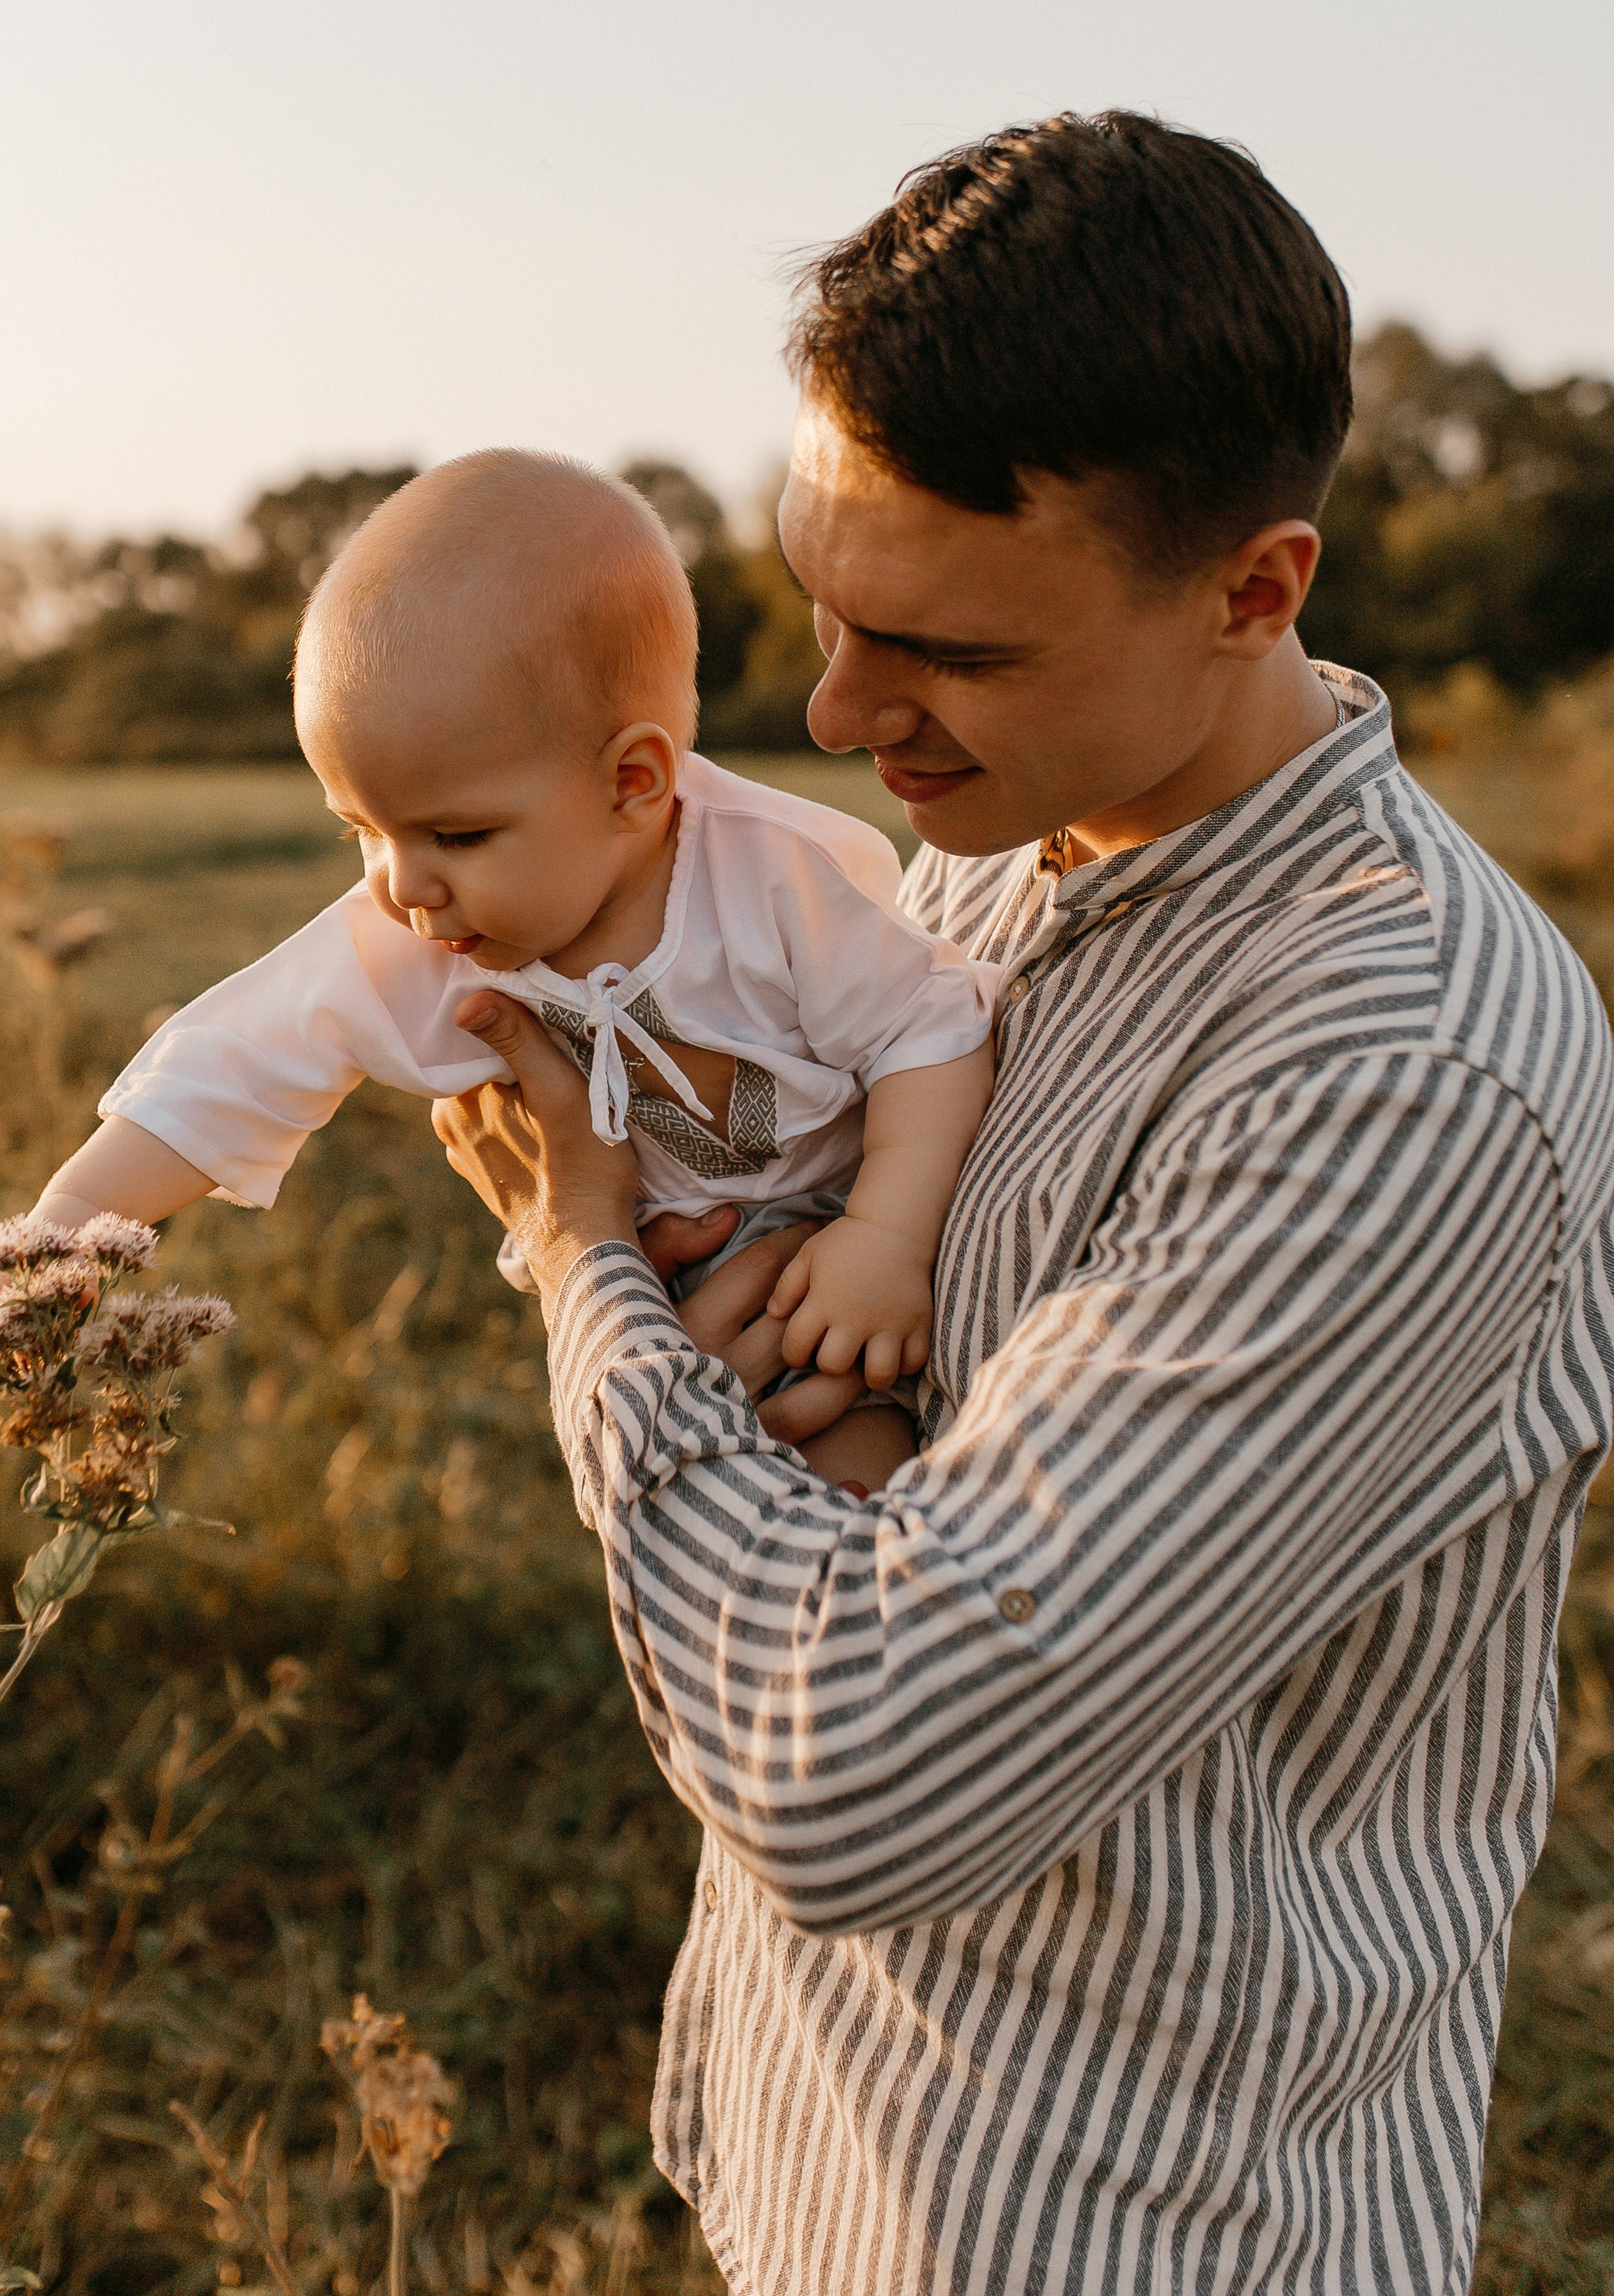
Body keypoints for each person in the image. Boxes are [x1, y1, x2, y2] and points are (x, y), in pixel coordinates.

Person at [428, 112, 1614, 2296]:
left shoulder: (1396, 1071)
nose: (834, 709)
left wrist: (582, 1261)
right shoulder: (962, 867)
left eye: (954, 653)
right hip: (824, 2156)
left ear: (1256, 587)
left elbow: (872, 1776)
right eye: (822, 608)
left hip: (1123, 2219)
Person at [0, 452, 996, 1495]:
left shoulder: (771, 884)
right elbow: (230, 1065)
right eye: (362, 827)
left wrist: (884, 1237)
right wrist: (60, 1233)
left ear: (633, 783)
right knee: (664, 1488)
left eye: (456, 832)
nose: (404, 884)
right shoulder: (420, 934)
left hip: (844, 1231)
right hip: (643, 1279)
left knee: (855, 1481)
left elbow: (933, 1031)